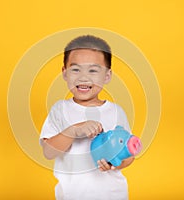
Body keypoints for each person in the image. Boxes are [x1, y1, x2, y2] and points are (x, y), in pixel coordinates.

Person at [40, 35, 141, 200]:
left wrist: (114, 164)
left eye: (93, 70)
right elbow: (49, 152)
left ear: (107, 76)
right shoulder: (60, 109)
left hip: (113, 195)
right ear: (64, 73)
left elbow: (128, 155)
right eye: (75, 69)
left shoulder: (116, 111)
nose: (83, 77)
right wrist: (73, 130)